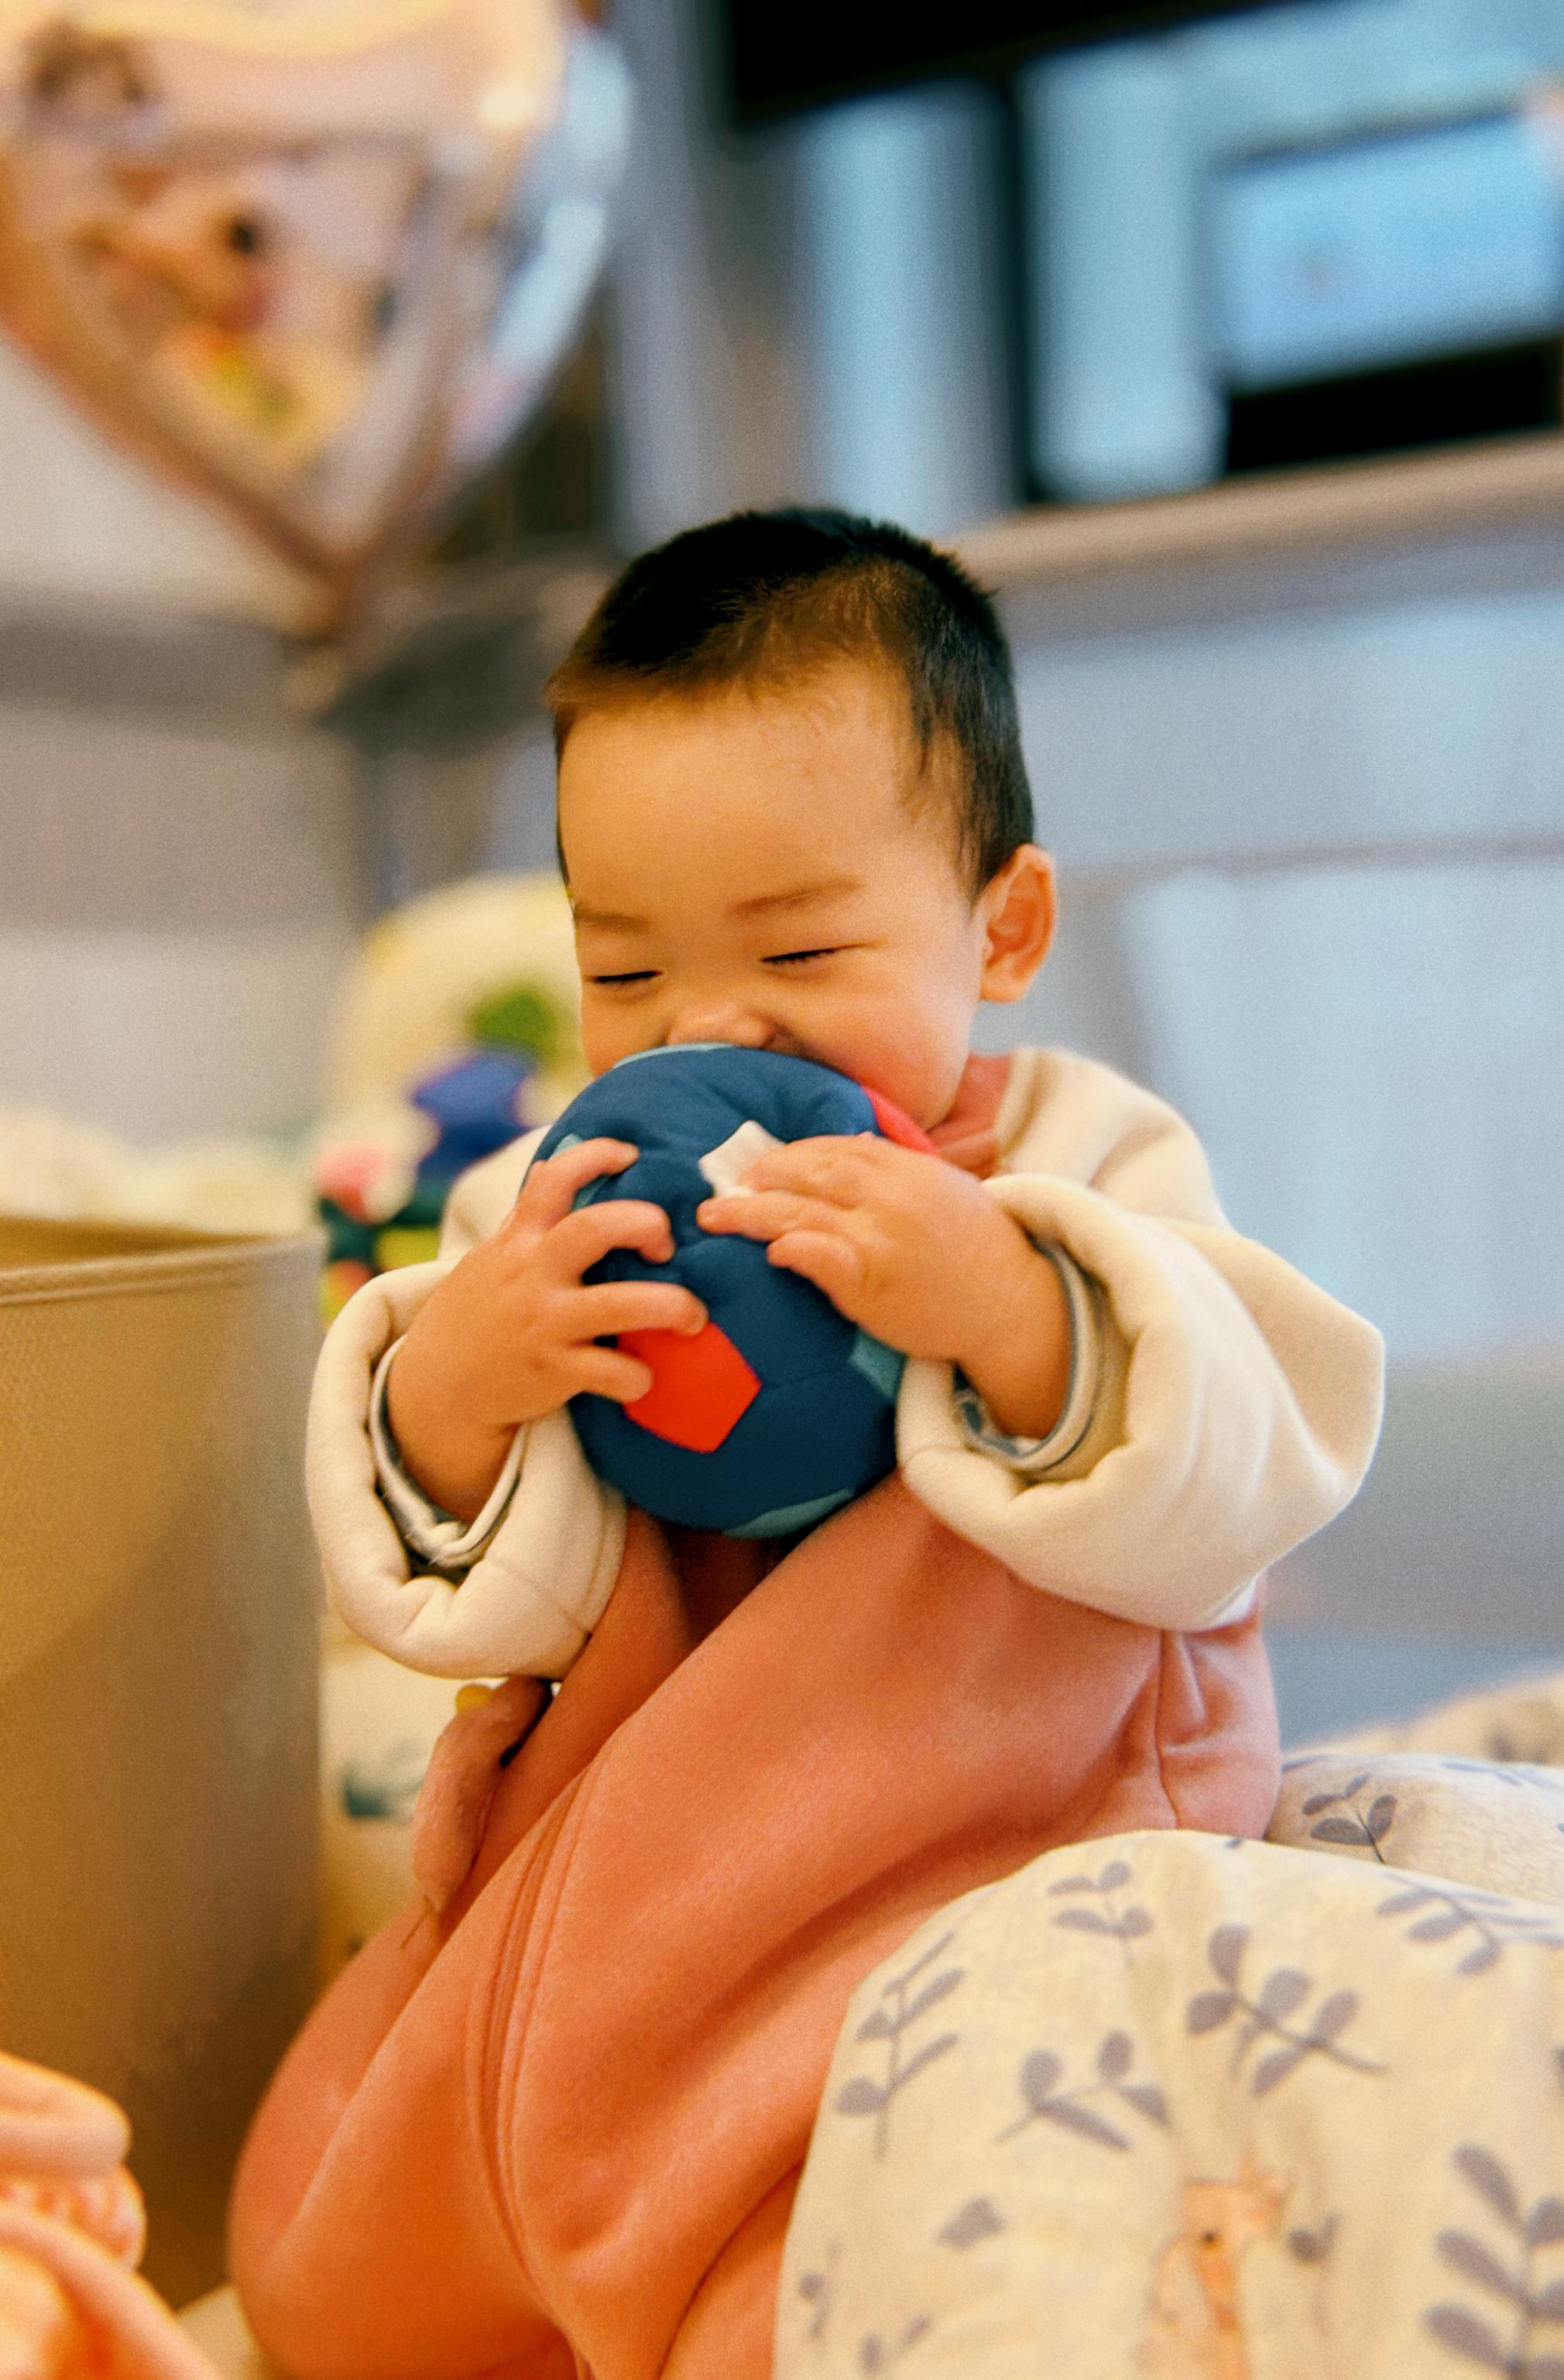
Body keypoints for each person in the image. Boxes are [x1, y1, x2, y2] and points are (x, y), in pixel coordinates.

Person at [232, 509, 1384, 2380]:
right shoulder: (567, 1195)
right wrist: (469, 1375)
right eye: (625, 972)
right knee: (330, 2245)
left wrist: (1010, 1305)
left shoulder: (1081, 1166)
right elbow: (459, 1589)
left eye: (802, 947)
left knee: (904, 2234)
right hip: (642, 1878)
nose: (707, 1030)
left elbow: (1254, 1462)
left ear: (1000, 926)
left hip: (988, 1864)